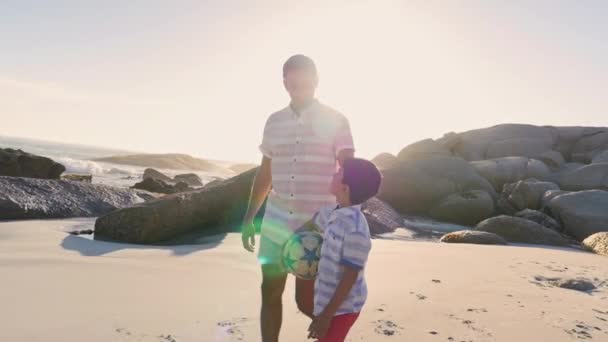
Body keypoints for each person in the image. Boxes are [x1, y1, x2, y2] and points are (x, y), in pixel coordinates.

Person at [241, 54, 355, 342]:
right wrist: (249, 215)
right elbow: (265, 172)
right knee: (269, 290)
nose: (298, 89)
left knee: (307, 302)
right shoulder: (273, 122)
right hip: (275, 222)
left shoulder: (336, 120)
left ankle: (333, 336)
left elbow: (348, 171)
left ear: (316, 81)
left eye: (304, 83)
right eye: (292, 83)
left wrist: (337, 222)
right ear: (284, 83)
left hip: (316, 227)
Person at [306, 158, 381, 341]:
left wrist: (326, 316)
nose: (333, 174)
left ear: (345, 188)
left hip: (343, 307)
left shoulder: (355, 229)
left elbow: (350, 276)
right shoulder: (333, 212)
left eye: (338, 173)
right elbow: (311, 226)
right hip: (327, 300)